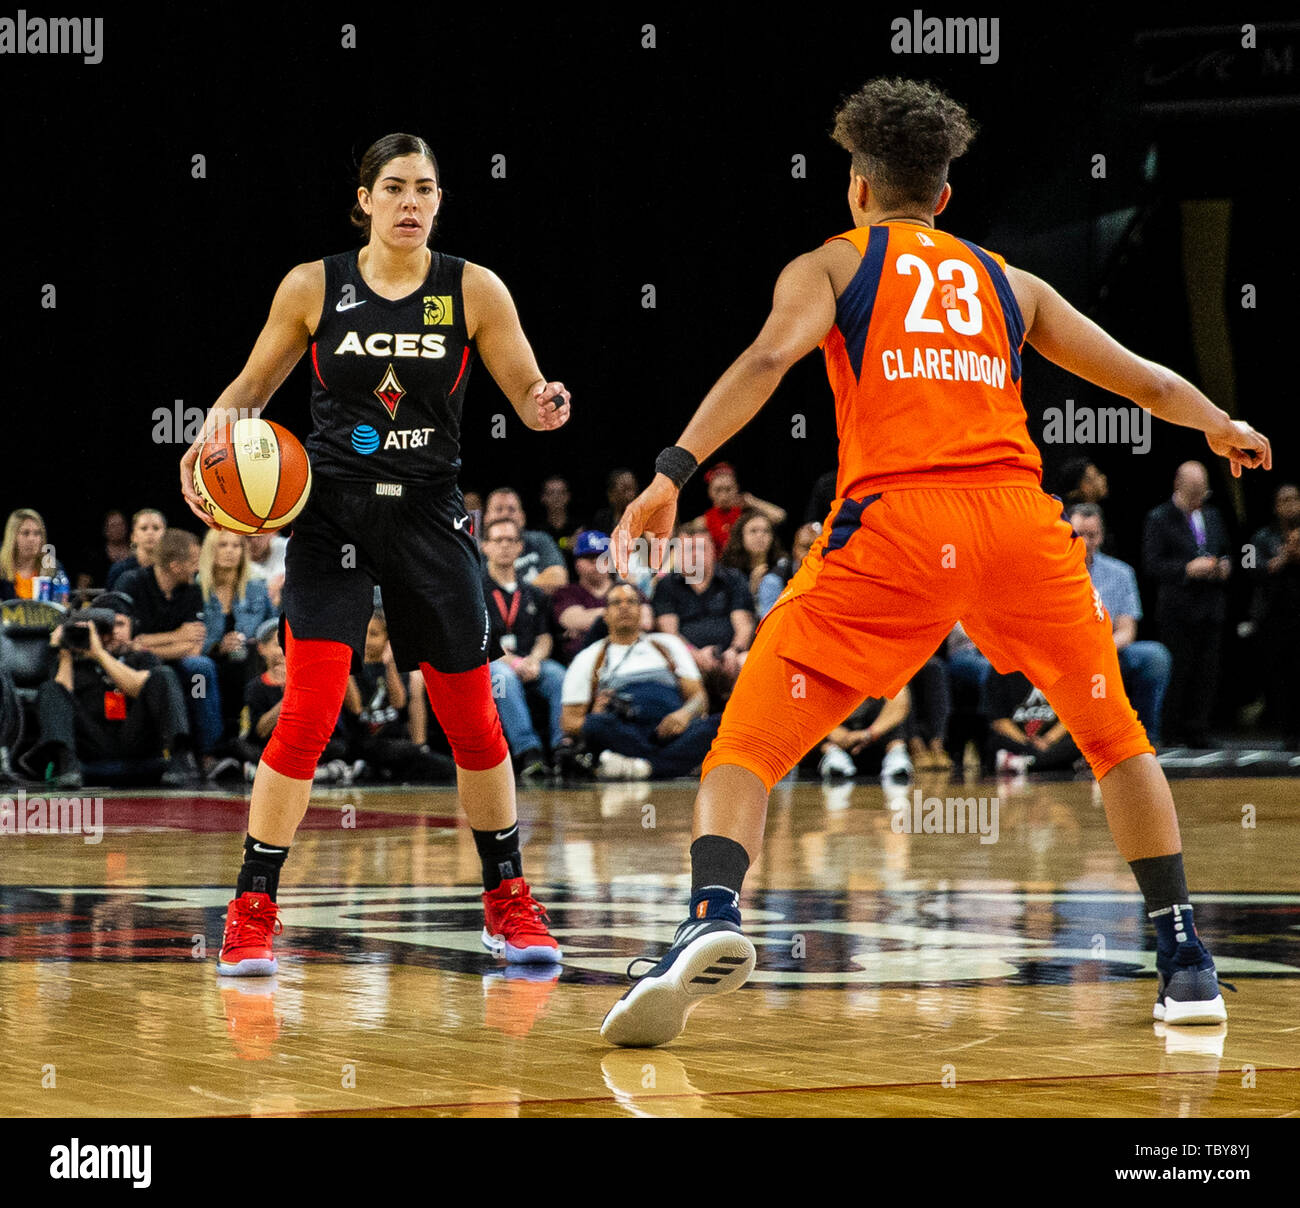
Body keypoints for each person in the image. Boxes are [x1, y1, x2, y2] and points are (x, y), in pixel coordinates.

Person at [602, 77, 1271, 1047]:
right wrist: (1220, 422)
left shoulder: (831, 263)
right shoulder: (1009, 282)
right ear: (944, 195)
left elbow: (766, 360)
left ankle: (711, 916)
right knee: (1117, 739)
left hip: (897, 526)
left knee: (745, 744)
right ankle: (1186, 960)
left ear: (857, 187)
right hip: (1018, 526)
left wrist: (673, 470)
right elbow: (1142, 379)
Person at [179, 132, 570, 973]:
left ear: (439, 200)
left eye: (424, 188)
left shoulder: (474, 288)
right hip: (333, 519)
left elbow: (525, 391)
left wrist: (544, 403)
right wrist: (206, 442)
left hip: (431, 517)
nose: (410, 202)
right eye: (393, 187)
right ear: (364, 200)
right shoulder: (313, 285)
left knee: (473, 719)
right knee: (308, 713)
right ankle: (252, 907)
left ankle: (507, 900)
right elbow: (252, 389)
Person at [32, 594, 199, 788]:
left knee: (165, 674)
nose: (113, 632)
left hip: (135, 739)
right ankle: (66, 764)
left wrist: (100, 655)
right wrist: (66, 651)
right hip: (91, 741)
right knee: (50, 688)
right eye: (105, 626)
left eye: (120, 624)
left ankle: (181, 758)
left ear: (132, 628)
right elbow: (60, 697)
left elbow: (138, 687)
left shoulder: (143, 658)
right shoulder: (75, 660)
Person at [561, 582, 719, 781]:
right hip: (626, 734)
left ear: (641, 610)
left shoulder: (668, 645)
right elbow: (569, 721)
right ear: (605, 614)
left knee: (721, 723)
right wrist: (596, 711)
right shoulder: (589, 657)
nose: (624, 607)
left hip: (673, 731)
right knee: (594, 725)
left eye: (631, 602)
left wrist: (684, 714)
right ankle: (666, 766)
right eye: (616, 603)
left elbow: (699, 697)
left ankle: (643, 767)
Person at [1141, 462, 1232, 748]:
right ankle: (1171, 729)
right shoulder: (1159, 518)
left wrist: (1224, 566)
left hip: (1211, 607)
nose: (1198, 498)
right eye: (1193, 492)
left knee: (1207, 673)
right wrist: (1187, 569)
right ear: (1178, 485)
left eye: (1202, 492)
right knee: (1178, 671)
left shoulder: (1212, 515)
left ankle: (1198, 729)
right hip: (1177, 610)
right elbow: (1151, 564)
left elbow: (1226, 550)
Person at [115, 529, 223, 760]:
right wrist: (176, 635)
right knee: (154, 667)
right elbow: (124, 642)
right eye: (194, 562)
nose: (197, 568)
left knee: (200, 670)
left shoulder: (193, 590)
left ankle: (207, 753)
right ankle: (168, 751)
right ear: (175, 566)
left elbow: (194, 647)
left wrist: (147, 641)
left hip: (179, 664)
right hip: (137, 665)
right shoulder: (131, 583)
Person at [1069, 503, 1171, 745]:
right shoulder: (1052, 571)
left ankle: (1145, 739)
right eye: (1079, 534)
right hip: (1067, 654)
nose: (1086, 542)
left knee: (1155, 656)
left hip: (1107, 650)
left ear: (1102, 536)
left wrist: (1100, 650)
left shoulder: (1121, 573)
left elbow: (1127, 630)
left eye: (1092, 535)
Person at [481, 515, 567, 776]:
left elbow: (544, 637)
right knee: (504, 677)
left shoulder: (533, 592)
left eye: (511, 540)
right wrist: (515, 662)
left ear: (520, 547)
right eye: (498, 540)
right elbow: (477, 641)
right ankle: (528, 751)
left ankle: (563, 746)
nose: (505, 545)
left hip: (530, 661)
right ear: (485, 546)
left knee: (558, 675)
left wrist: (534, 661)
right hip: (493, 663)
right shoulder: (476, 592)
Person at [199, 529, 276, 745]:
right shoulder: (197, 590)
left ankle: (245, 733)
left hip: (250, 659)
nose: (230, 551)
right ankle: (224, 739)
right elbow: (190, 637)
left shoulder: (257, 588)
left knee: (246, 655)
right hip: (212, 659)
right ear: (210, 551)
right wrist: (218, 647)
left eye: (236, 546)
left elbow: (273, 628)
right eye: (223, 545)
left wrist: (259, 642)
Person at [1247, 483, 1300, 747]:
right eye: (1284, 500)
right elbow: (1249, 568)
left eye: (1294, 499)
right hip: (1273, 617)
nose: (1290, 505)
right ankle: (1287, 732)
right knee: (1281, 676)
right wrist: (1282, 559)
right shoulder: (1261, 537)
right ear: (1276, 506)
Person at [691, 462, 785, 554]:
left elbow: (780, 516)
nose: (723, 496)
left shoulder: (747, 516)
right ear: (710, 492)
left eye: (728, 489)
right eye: (718, 490)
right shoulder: (703, 522)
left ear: (736, 489)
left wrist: (754, 502)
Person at [721, 508, 788, 607]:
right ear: (740, 536)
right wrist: (751, 590)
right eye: (753, 531)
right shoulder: (728, 571)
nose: (760, 535)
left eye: (766, 531)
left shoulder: (784, 566)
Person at [756, 522, 819, 619]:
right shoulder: (774, 580)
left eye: (816, 549)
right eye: (805, 548)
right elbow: (771, 621)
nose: (810, 554)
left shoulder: (831, 577)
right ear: (794, 549)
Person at [0, 509, 64, 599]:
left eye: (37, 533)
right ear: (12, 537)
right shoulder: (1, 568)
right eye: (25, 533)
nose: (31, 539)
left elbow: (62, 603)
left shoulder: (54, 568)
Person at [105, 508, 166, 590]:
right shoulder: (119, 570)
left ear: (165, 535)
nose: (150, 533)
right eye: (144, 528)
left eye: (156, 528)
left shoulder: (173, 570)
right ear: (133, 536)